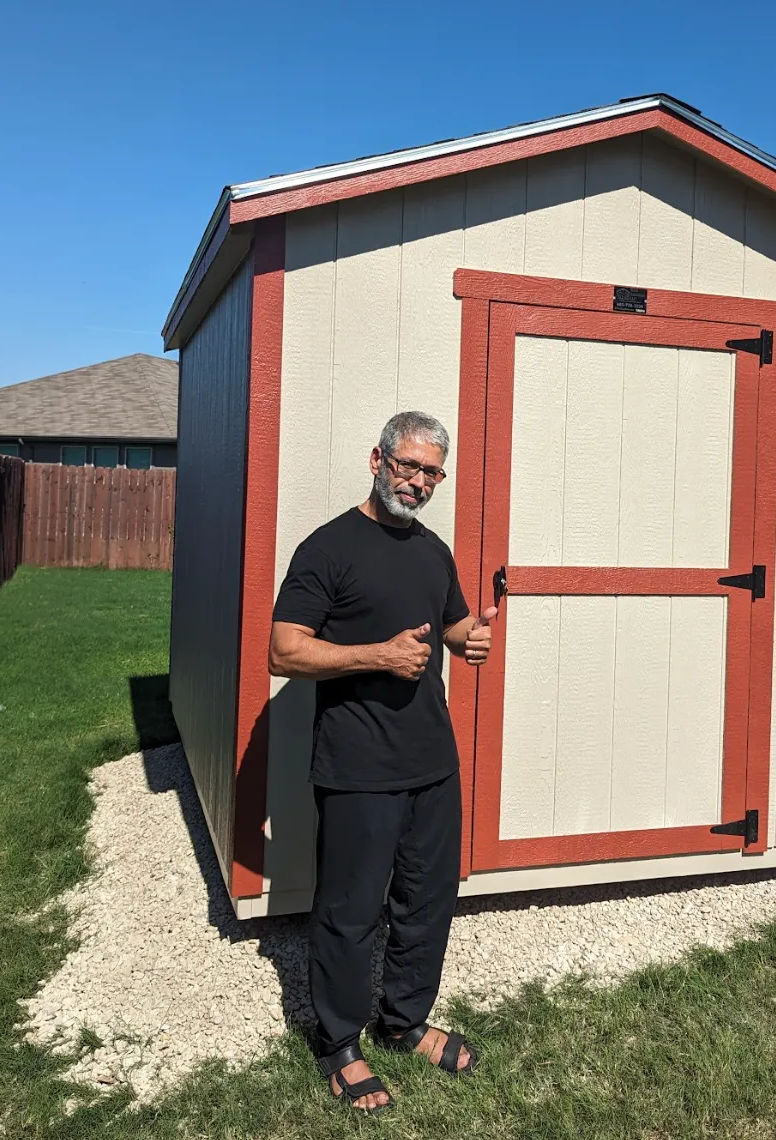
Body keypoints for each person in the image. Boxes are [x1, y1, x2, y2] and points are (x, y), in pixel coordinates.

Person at [268, 411, 496, 1114]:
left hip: (432, 761)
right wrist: (377, 655)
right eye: (408, 466)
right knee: (350, 913)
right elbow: (283, 649)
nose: (418, 482)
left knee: (426, 904)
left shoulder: (432, 550)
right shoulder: (328, 548)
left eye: (431, 471)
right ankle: (339, 1043)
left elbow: (449, 620)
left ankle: (404, 1022)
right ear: (377, 459)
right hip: (357, 767)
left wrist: (471, 637)